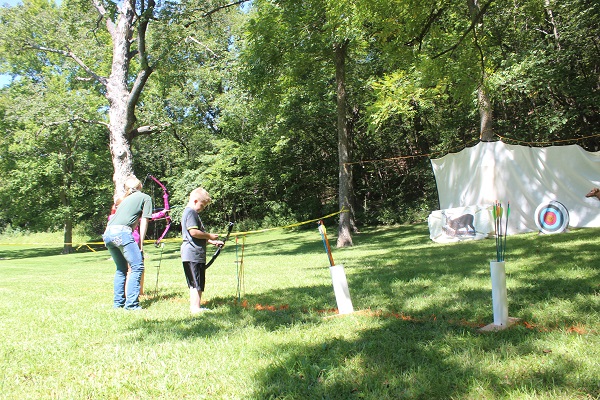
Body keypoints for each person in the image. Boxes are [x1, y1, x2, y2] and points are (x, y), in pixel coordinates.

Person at [103, 176, 153, 310]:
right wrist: (141, 243)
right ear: (140, 186)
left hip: (108, 233)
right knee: (137, 266)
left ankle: (118, 304)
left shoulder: (125, 200)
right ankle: (131, 305)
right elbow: (144, 221)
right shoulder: (145, 197)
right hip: (122, 233)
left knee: (121, 269)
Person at [180, 187, 224, 314]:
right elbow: (193, 232)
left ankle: (197, 306)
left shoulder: (191, 213)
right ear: (195, 201)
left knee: (198, 281)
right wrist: (209, 235)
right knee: (195, 282)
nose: (202, 208)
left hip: (194, 253)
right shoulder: (191, 213)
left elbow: (198, 234)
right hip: (192, 253)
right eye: (202, 205)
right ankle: (195, 308)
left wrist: (213, 242)